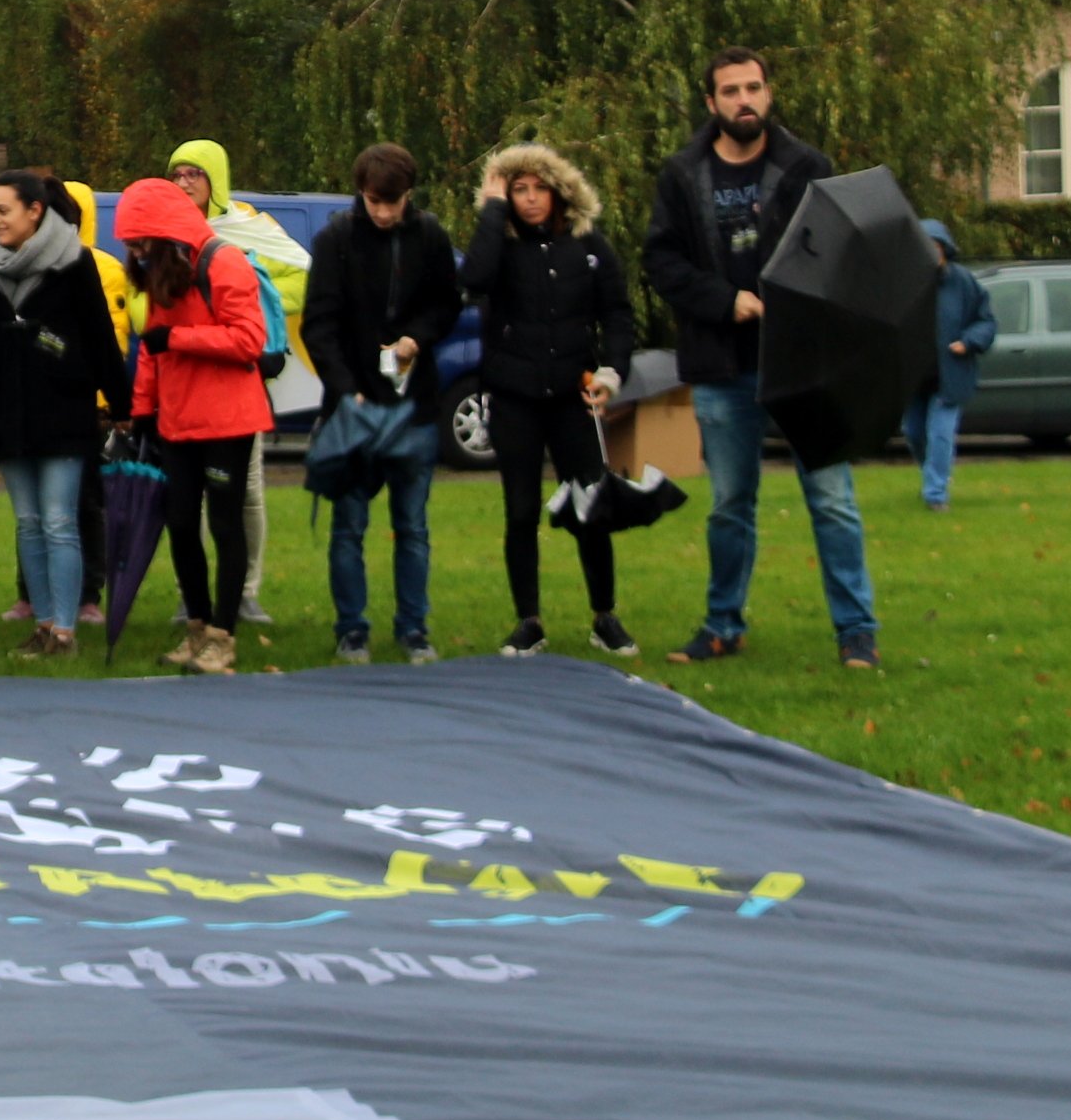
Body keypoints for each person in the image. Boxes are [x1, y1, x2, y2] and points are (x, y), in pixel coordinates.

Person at [642, 50, 878, 670]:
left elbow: (836, 256)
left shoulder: (808, 167)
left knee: (831, 499)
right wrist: (726, 302)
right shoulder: (681, 174)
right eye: (730, 91)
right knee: (729, 505)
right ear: (711, 103)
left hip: (805, 364)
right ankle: (723, 624)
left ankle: (857, 631)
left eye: (753, 88)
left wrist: (790, 302)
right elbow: (661, 262)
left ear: (769, 94)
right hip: (722, 362)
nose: (743, 99)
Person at [458, 141, 638, 660]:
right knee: (520, 511)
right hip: (512, 394)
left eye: (540, 188)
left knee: (589, 506)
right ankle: (528, 621)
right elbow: (473, 279)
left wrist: (612, 372)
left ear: (560, 192)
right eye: (519, 189)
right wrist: (492, 211)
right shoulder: (499, 243)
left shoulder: (589, 244)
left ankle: (604, 615)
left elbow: (619, 313)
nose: (531, 199)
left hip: (571, 394)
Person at [0, 168, 133, 661]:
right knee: (28, 522)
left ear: (35, 211)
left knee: (58, 520)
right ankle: (44, 624)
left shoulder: (74, 263)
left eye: (3, 210)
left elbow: (100, 337)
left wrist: (121, 406)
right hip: (6, 412)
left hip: (63, 410)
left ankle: (66, 634)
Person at [297, 143, 460, 666]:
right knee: (349, 526)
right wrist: (348, 389)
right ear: (360, 193)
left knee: (412, 526)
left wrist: (416, 338)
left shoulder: (431, 235)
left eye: (393, 202)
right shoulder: (335, 240)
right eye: (374, 201)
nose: (384, 212)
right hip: (355, 408)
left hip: (414, 408)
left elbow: (447, 305)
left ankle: (414, 628)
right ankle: (352, 630)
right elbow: (317, 324)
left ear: (410, 195)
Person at [112, 174, 275, 675]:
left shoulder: (222, 262)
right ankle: (198, 628)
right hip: (178, 421)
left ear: (164, 235)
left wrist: (180, 338)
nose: (136, 254)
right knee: (181, 524)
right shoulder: (166, 270)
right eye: (131, 246)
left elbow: (249, 341)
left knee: (224, 525)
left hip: (227, 420)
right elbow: (151, 352)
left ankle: (224, 636)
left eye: (141, 244)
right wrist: (141, 410)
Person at [166, 137, 304, 625]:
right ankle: (193, 594)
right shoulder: (167, 231)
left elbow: (299, 276)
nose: (184, 183)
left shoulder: (248, 227)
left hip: (239, 373)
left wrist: (252, 284)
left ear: (215, 179)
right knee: (186, 496)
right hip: (185, 379)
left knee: (245, 491)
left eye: (194, 174)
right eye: (177, 174)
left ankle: (244, 590)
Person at [904, 220, 999, 510]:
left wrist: (968, 342)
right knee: (914, 433)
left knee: (940, 434)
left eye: (935, 247)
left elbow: (986, 321)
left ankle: (935, 495)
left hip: (950, 374)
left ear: (945, 249)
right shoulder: (903, 283)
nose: (931, 253)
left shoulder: (962, 282)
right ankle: (934, 476)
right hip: (913, 377)